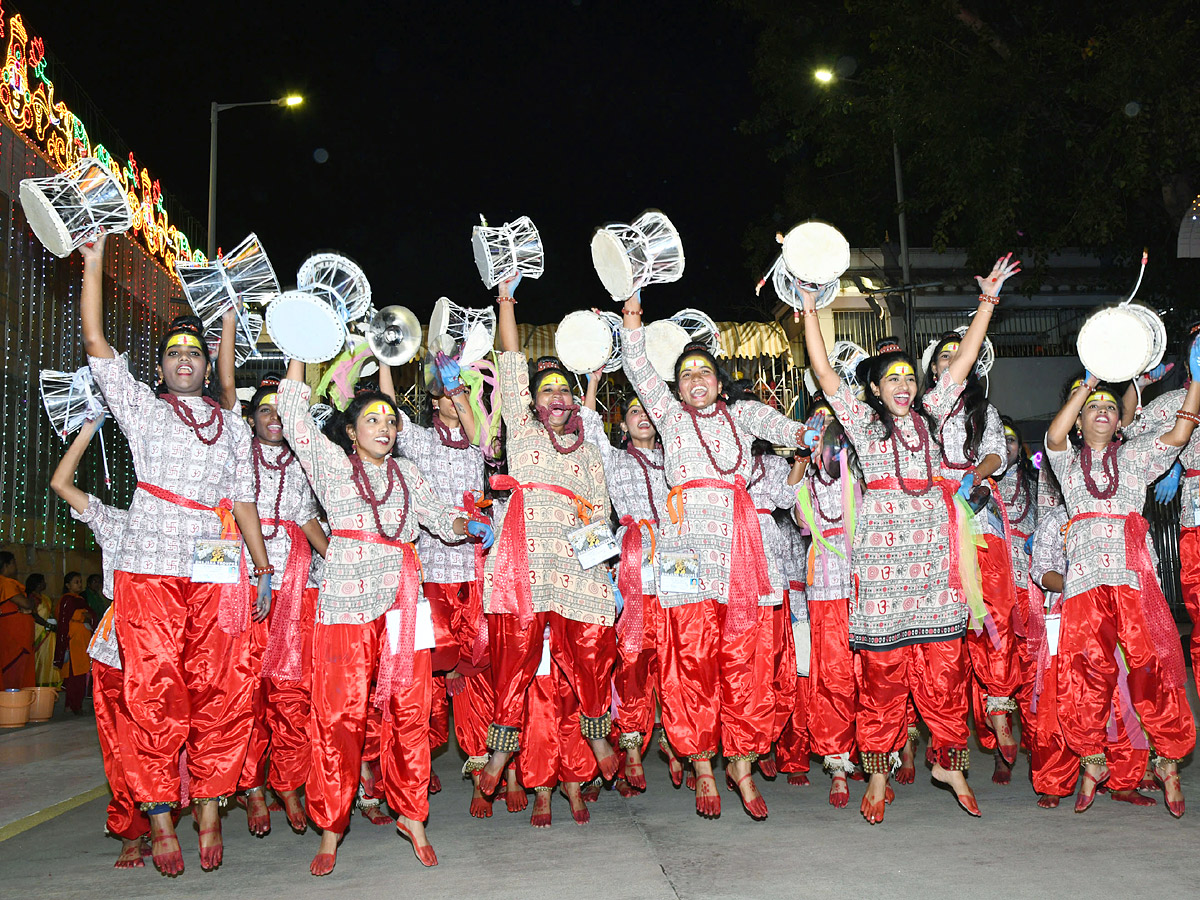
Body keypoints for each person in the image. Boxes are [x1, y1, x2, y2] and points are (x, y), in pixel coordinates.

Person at [800, 253, 1019, 824]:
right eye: (889, 377)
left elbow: (964, 361)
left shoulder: (931, 413)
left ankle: (949, 763)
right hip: (880, 575)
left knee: (944, 671)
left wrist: (988, 301)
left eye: (906, 376)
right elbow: (825, 375)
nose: (901, 383)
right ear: (872, 389)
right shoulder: (865, 427)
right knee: (883, 678)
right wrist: (807, 307)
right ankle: (876, 774)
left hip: (934, 569)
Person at [81, 234, 274, 876]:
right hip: (151, 566)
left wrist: (265, 569)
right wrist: (94, 263)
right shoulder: (141, 409)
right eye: (174, 352)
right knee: (155, 690)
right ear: (161, 366)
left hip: (216, 566)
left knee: (221, 688)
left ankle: (212, 808)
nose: (185, 358)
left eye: (195, 350)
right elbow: (98, 349)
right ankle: (162, 817)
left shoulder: (232, 425)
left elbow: (243, 500)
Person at [277, 358, 489, 874]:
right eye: (372, 420)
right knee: (339, 716)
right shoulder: (330, 465)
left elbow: (441, 520)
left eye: (391, 421)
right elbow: (294, 418)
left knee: (412, 712)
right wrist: (301, 348)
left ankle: (413, 815)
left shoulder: (409, 472)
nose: (386, 428)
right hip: (346, 604)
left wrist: (471, 522)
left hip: (404, 604)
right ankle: (330, 827)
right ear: (350, 432)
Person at [620, 292, 810, 821]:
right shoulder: (669, 418)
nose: (696, 378)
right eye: (685, 373)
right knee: (689, 663)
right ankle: (704, 766)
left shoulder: (743, 414)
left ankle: (742, 767)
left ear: (719, 381)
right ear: (676, 387)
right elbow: (636, 363)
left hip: (742, 554)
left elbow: (787, 432)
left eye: (705, 370)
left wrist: (806, 433)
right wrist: (632, 305)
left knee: (744, 662)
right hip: (682, 556)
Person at [476, 278, 618, 803]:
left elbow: (600, 508)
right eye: (546, 391)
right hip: (525, 553)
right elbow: (512, 361)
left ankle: (597, 733)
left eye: (564, 390)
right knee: (515, 653)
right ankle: (499, 753)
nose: (556, 398)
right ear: (532, 403)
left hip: (577, 555)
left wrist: (604, 567)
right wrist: (507, 302)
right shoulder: (524, 429)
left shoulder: (589, 445)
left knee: (591, 647)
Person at [1045, 356, 1200, 818]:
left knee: (1150, 670)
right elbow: (1053, 437)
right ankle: (1093, 763)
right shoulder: (1067, 463)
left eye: (1110, 407)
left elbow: (1177, 435)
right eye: (1092, 406)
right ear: (1080, 420)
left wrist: (1196, 381)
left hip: (1134, 580)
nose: (1102, 411)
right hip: (1084, 583)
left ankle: (1168, 762)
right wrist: (1087, 383)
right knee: (1085, 674)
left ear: (1118, 422)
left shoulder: (1133, 456)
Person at [387, 356, 506, 816]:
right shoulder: (416, 440)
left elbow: (483, 435)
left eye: (463, 393)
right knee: (431, 675)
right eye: (448, 394)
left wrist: (464, 392)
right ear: (434, 402)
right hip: (431, 574)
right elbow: (390, 411)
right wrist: (388, 360)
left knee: (477, 670)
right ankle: (417, 763)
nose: (457, 400)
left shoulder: (483, 442)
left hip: (478, 571)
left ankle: (482, 775)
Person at [49, 415, 154, 866]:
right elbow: (60, 482)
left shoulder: (201, 523)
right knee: (119, 746)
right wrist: (90, 426)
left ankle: (175, 810)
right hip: (117, 651)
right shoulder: (115, 521)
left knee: (171, 738)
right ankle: (132, 828)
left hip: (175, 646)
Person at [921, 331, 1019, 776]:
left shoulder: (985, 411)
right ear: (934, 369)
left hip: (978, 512)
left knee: (994, 613)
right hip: (932, 523)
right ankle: (945, 732)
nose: (952, 361)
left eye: (960, 355)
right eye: (945, 356)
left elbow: (997, 452)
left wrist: (974, 476)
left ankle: (999, 705)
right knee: (944, 630)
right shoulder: (922, 408)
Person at [234, 371, 328, 837]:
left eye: (281, 410)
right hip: (241, 587)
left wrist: (342, 560)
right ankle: (252, 787)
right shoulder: (233, 451)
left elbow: (309, 520)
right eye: (264, 410)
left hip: (298, 588)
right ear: (250, 419)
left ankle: (289, 782)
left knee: (294, 693)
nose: (274, 418)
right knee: (244, 694)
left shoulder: (306, 463)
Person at [1026, 496, 1154, 809]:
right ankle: (1055, 782)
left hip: (1120, 616)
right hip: (1069, 614)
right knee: (1061, 700)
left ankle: (1125, 779)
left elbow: (1148, 568)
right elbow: (1040, 570)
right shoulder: (1058, 519)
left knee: (1122, 699)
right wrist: (1081, 587)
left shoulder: (1129, 515)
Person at [580, 378, 671, 795]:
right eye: (634, 412)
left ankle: (675, 739)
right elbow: (587, 423)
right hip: (633, 562)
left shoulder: (677, 460)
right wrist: (594, 381)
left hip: (675, 561)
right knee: (632, 658)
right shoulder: (615, 460)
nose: (643, 417)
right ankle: (630, 745)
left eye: (649, 412)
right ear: (624, 425)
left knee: (675, 656)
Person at [793, 400, 861, 807]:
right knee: (833, 676)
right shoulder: (805, 485)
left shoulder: (861, 480)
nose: (827, 447)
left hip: (862, 587)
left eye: (833, 439)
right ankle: (838, 765)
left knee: (868, 675)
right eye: (818, 439)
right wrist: (802, 456)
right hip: (823, 592)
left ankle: (876, 759)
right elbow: (791, 504)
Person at [0, 552, 48, 689]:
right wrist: (29, 604)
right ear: (6, 565)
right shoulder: (5, 583)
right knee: (13, 670)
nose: (16, 567)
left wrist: (28, 607)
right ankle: (12, 706)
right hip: (14, 636)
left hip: (18, 634)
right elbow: (27, 604)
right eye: (14, 563)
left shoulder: (8, 583)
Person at [54, 572, 94, 713]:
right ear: (68, 585)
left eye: (80, 581)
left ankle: (76, 704)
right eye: (76, 582)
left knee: (82, 673)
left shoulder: (81, 600)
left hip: (83, 640)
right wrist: (64, 642)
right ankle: (72, 705)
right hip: (73, 641)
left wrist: (88, 617)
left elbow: (92, 616)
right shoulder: (67, 600)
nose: (79, 584)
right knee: (73, 674)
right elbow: (64, 622)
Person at [28, 573, 56, 686]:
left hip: (49, 632)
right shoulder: (33, 598)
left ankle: (50, 682)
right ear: (38, 584)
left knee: (49, 658)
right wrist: (47, 625)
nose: (45, 583)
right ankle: (39, 682)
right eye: (43, 581)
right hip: (40, 631)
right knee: (41, 658)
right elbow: (34, 614)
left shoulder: (45, 598)